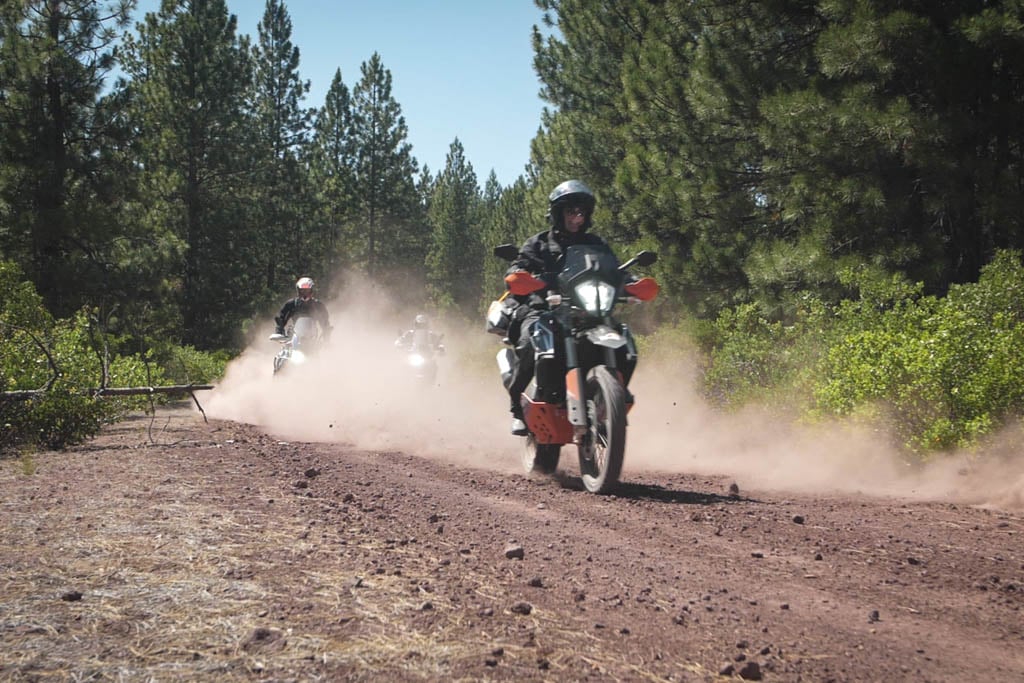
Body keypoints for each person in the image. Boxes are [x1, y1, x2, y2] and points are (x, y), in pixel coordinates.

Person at [503, 179, 620, 435]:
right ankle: (516, 404)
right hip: (544, 308)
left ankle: (610, 401)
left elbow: (615, 269)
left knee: (625, 342)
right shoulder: (539, 243)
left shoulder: (596, 245)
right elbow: (520, 264)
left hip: (586, 311)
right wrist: (522, 275)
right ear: (558, 213)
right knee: (531, 338)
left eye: (581, 212)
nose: (577, 217)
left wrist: (632, 283)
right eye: (571, 211)